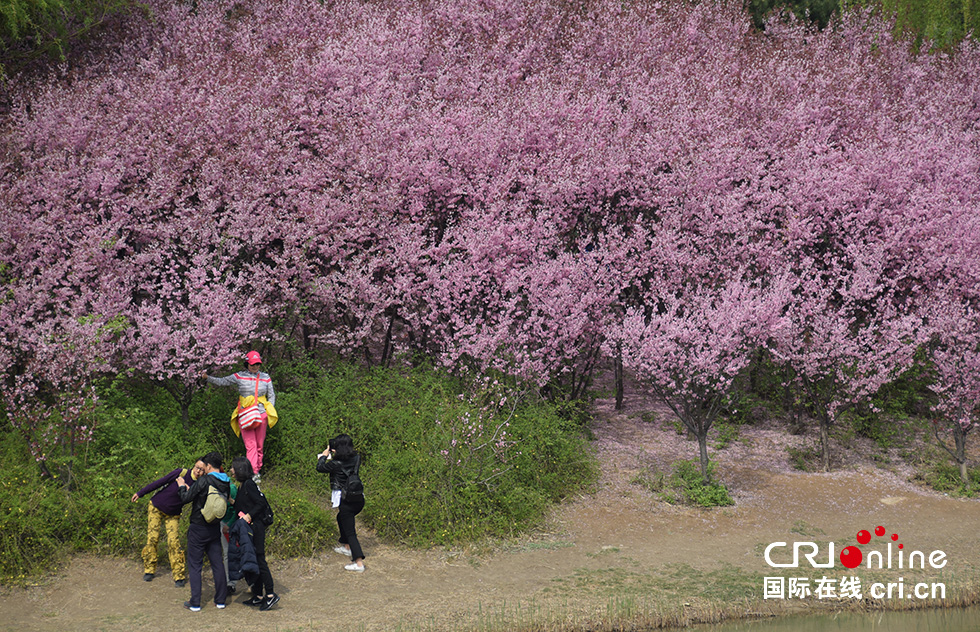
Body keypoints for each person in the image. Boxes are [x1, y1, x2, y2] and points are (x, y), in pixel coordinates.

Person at [203, 351, 278, 482]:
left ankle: (256, 471)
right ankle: (252, 473)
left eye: (257, 364)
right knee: (251, 445)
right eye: (253, 364)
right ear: (247, 364)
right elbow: (222, 382)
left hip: (261, 415)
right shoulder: (239, 376)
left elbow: (271, 395)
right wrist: (207, 377)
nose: (255, 367)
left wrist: (268, 409)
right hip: (245, 414)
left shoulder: (265, 377)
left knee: (259, 445)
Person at [131, 460, 205, 587]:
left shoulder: (200, 485)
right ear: (193, 466)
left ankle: (179, 575)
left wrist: (188, 489)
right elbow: (160, 482)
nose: (198, 471)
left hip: (173, 514)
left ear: (205, 472)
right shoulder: (181, 473)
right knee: (153, 538)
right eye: (197, 467)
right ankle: (149, 569)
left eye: (201, 469)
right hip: (156, 506)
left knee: (173, 542)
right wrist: (140, 493)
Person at [177, 451, 231, 611]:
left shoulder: (205, 480)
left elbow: (185, 498)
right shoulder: (226, 481)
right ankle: (221, 600)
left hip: (198, 527)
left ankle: (195, 603)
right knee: (217, 563)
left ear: (208, 466)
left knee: (195, 565)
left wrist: (181, 487)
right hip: (214, 527)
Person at [229, 455, 279, 610]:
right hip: (249, 528)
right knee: (253, 561)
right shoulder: (242, 485)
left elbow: (260, 503)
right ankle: (257, 595)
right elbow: (240, 505)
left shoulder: (249, 484)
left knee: (259, 559)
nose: (231, 470)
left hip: (256, 527)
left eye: (233, 467)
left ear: (239, 469)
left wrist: (249, 516)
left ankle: (270, 595)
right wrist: (228, 499)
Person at [316, 434, 365, 572]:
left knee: (351, 532)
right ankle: (347, 547)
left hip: (346, 500)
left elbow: (320, 468)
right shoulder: (356, 458)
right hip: (359, 498)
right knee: (340, 518)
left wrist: (324, 456)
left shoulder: (335, 464)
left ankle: (359, 563)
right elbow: (347, 461)